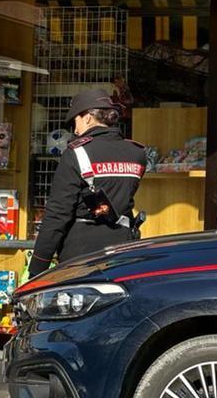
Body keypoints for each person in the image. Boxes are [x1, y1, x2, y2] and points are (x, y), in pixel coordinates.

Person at [28, 88, 147, 279]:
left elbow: (57, 215)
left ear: (88, 118)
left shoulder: (76, 154)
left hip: (80, 257)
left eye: (76, 120)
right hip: (124, 253)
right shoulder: (137, 154)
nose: (75, 130)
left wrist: (38, 267)